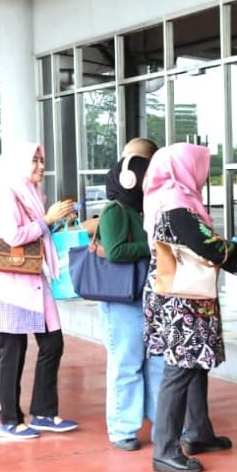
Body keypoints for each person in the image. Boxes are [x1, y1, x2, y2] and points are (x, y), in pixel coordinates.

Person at [142, 143, 237, 472]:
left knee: (194, 365)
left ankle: (199, 432)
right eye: (200, 167)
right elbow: (204, 244)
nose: (203, 173)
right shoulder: (176, 204)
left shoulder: (169, 198)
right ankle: (165, 450)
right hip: (182, 302)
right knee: (179, 369)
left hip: (181, 295)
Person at [0, 140, 79, 441]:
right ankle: (9, 421)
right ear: (19, 163)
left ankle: (44, 412)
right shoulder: (6, 192)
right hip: (8, 281)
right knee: (13, 349)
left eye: (42, 160)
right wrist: (47, 219)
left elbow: (38, 232)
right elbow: (13, 236)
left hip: (32, 277)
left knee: (52, 342)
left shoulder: (32, 192)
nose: (41, 166)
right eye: (34, 160)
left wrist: (54, 222)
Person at [96, 154, 162, 451]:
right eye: (145, 175)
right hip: (122, 300)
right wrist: (152, 246)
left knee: (155, 364)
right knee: (127, 364)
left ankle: (161, 422)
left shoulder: (142, 208)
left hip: (146, 295)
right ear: (129, 179)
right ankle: (122, 429)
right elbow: (115, 251)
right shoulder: (115, 210)